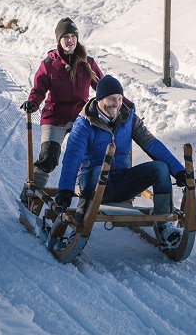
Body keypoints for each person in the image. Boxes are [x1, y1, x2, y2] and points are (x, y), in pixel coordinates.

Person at [55, 75, 187, 248]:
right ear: (99, 99)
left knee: (160, 168)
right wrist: (65, 189)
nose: (116, 104)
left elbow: (152, 144)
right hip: (93, 186)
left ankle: (164, 226)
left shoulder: (128, 118)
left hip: (122, 181)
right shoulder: (85, 123)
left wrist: (177, 170)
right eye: (111, 99)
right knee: (97, 170)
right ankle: (78, 228)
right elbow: (73, 157)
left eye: (119, 99)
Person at [20, 17, 104, 190]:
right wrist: (32, 103)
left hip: (80, 118)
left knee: (89, 157)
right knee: (48, 159)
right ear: (59, 39)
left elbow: (104, 89)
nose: (70, 40)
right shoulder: (49, 64)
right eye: (65, 36)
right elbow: (38, 90)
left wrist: (124, 103)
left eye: (73, 36)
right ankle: (31, 197)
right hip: (54, 117)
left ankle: (88, 194)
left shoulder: (88, 63)